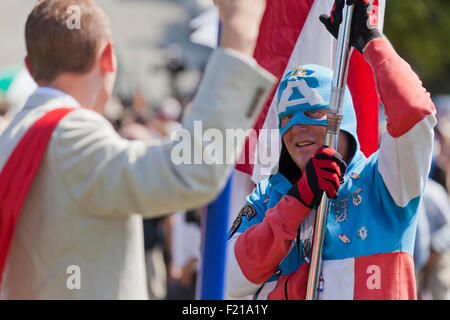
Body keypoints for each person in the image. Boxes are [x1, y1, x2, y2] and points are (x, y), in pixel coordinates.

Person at [0, 0, 276, 299]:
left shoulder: (13, 136)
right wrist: (238, 35)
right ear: (108, 57)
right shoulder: (70, 133)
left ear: (29, 66)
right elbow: (189, 173)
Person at [226, 0, 436, 300]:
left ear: (343, 121)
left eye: (312, 114)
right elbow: (228, 281)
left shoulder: (386, 181)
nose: (297, 128)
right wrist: (297, 200)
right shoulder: (267, 196)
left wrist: (371, 42)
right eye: (286, 119)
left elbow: (415, 111)